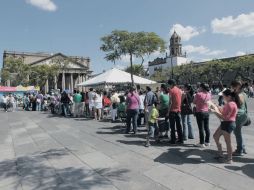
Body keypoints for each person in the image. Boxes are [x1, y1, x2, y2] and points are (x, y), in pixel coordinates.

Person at [212, 89, 240, 164]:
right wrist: (216, 107)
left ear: (228, 96)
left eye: (223, 96)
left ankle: (229, 159)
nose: (223, 97)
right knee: (215, 136)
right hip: (226, 123)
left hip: (228, 123)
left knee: (228, 142)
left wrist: (215, 112)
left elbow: (225, 117)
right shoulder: (230, 103)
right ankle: (221, 154)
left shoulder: (230, 104)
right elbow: (224, 112)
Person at [231, 80, 248, 156]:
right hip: (244, 115)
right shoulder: (244, 93)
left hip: (239, 115)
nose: (232, 88)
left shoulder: (239, 95)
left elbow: (237, 106)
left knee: (237, 133)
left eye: (232, 87)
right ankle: (243, 148)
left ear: (237, 86)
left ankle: (239, 150)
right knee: (238, 132)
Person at [193, 83, 212, 147]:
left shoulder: (198, 94)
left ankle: (201, 143)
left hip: (200, 112)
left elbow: (194, 102)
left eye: (200, 87)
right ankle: (207, 141)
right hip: (206, 112)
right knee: (207, 127)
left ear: (202, 87)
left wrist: (197, 93)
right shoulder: (209, 94)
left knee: (201, 128)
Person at [167, 79, 183, 144]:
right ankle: (180, 139)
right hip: (178, 110)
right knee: (179, 126)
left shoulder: (171, 90)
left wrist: (168, 112)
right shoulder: (179, 90)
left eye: (168, 84)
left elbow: (170, 102)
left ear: (171, 84)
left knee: (172, 126)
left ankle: (173, 140)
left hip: (172, 110)